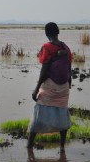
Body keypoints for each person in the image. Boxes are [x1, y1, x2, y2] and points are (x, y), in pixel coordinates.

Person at [27, 22, 72, 150]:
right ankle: (62, 147)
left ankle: (29, 146)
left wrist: (36, 89)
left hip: (51, 86)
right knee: (62, 113)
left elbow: (44, 69)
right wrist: (69, 83)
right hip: (64, 87)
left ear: (46, 34)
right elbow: (69, 68)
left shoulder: (47, 47)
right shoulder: (66, 47)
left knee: (39, 114)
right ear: (58, 32)